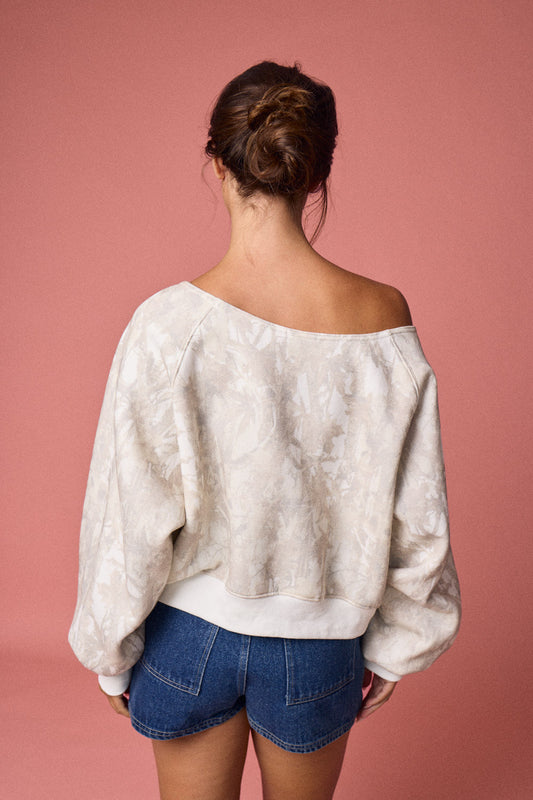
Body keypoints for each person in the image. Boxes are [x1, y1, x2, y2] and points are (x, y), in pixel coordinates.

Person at [69, 61, 461, 800]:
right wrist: (398, 643)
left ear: (217, 164)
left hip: (188, 640)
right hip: (320, 650)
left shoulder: (167, 325)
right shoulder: (383, 319)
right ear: (316, 174)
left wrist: (109, 653)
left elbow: (128, 514)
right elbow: (419, 512)